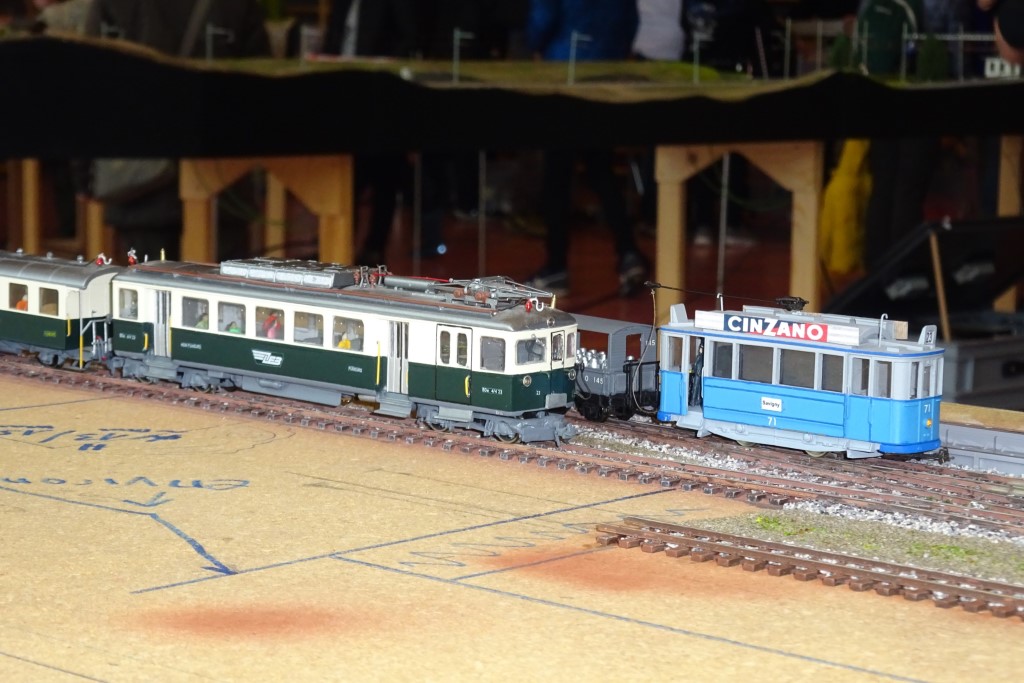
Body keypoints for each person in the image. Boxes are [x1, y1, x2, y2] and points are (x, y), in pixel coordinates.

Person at [83, 0, 270, 261]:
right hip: (221, 181)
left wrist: (84, 176)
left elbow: (90, 88)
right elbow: (260, 92)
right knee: (222, 281)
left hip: (139, 181)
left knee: (150, 281)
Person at [524, 0, 650, 297]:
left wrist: (535, 45)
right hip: (603, 77)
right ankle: (628, 252)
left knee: (557, 175)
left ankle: (556, 266)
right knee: (601, 170)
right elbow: (630, 22)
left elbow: (542, 18)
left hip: (564, 76)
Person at [324, 0, 418, 266]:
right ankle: (338, 245)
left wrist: (381, 73)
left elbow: (408, 38)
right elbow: (333, 40)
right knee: (345, 175)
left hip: (382, 98)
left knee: (384, 175)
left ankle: (375, 246)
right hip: (344, 96)